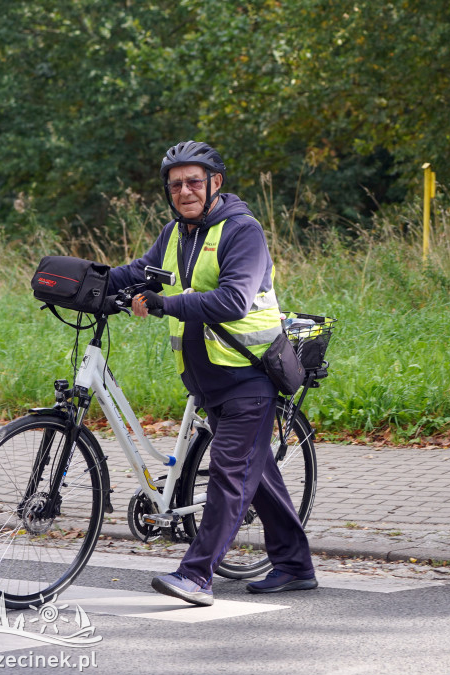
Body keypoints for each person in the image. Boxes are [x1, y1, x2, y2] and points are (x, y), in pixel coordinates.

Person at [108, 141, 316, 605]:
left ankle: (196, 575)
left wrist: (165, 305)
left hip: (250, 376)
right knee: (253, 472)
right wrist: (87, 282)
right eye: (176, 183)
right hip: (209, 383)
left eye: (194, 181)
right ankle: (295, 564)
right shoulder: (175, 234)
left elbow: (233, 300)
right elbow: (140, 272)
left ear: (215, 183)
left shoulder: (243, 232)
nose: (184, 190)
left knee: (228, 474)